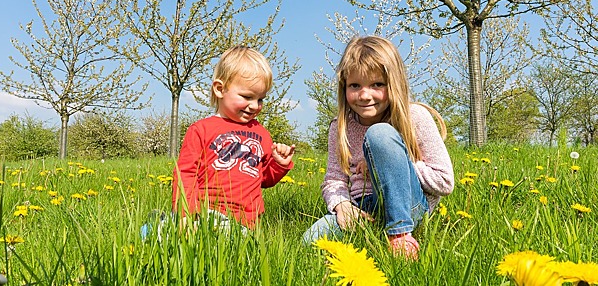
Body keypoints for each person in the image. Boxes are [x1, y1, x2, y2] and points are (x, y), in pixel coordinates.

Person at [302, 36, 454, 260]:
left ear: (394, 84)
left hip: (410, 206)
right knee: (310, 242)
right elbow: (334, 179)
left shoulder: (416, 117)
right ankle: (374, 230)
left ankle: (400, 234)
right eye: (355, 86)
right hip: (363, 208)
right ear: (344, 87)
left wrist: (394, 161)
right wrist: (342, 205)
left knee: (380, 134)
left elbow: (444, 182)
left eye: (377, 85)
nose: (365, 95)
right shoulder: (339, 126)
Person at [171, 45, 296, 231]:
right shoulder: (201, 130)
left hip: (248, 222)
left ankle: (162, 227)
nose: (255, 106)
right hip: (206, 214)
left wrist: (279, 164)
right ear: (220, 89)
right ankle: (164, 227)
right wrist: (186, 214)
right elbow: (185, 175)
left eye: (260, 99)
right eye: (247, 97)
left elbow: (265, 179)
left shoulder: (261, 134)